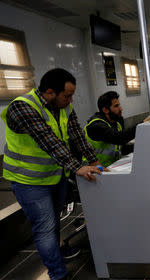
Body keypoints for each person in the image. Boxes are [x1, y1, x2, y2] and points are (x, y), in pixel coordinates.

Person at [1, 68, 102, 280]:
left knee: (54, 221)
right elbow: (49, 141)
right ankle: (57, 274)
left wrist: (94, 160)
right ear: (49, 92)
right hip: (28, 180)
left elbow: (77, 135)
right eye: (67, 95)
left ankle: (56, 253)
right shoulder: (22, 107)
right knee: (45, 227)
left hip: (54, 176)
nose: (71, 99)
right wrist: (77, 167)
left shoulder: (63, 106)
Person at [84, 91, 150, 167]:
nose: (121, 109)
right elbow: (118, 138)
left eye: (119, 105)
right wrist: (142, 124)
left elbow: (121, 147)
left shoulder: (117, 122)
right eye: (116, 106)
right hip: (95, 169)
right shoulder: (96, 125)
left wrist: (142, 147)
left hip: (112, 166)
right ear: (105, 110)